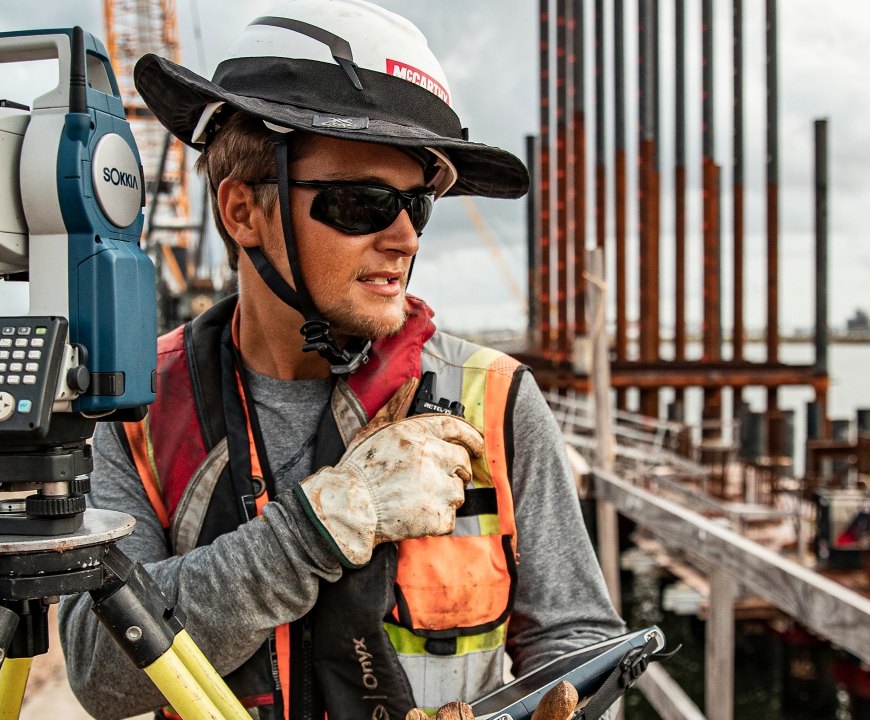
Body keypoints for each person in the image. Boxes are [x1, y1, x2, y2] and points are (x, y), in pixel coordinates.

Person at [58, 1, 625, 718]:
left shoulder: (497, 400)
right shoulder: (137, 408)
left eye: (416, 206)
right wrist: (319, 529)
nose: (405, 238)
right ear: (242, 212)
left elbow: (580, 643)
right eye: (362, 204)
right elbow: (100, 673)